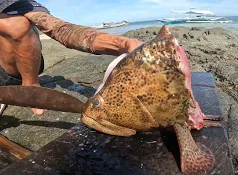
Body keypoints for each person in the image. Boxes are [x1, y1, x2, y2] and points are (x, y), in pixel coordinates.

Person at [0, 0, 143, 116]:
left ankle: (30, 87)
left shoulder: (18, 4)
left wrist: (122, 44)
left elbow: (63, 30)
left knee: (14, 25)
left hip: (9, 67)